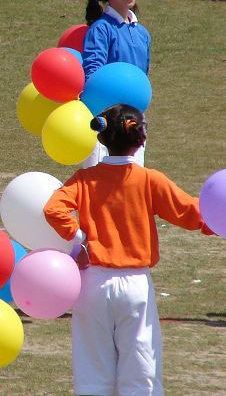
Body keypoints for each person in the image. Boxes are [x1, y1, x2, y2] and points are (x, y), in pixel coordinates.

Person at [43, 104, 211, 396]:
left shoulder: (85, 179)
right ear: (141, 140)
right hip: (136, 285)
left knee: (93, 372)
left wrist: (79, 239)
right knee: (141, 369)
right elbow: (190, 213)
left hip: (92, 284)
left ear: (102, 139)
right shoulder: (149, 179)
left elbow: (53, 208)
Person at [81, 0, 150, 167]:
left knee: (132, 178)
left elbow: (142, 76)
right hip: (105, 121)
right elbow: (92, 74)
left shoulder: (142, 33)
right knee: (99, 182)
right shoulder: (101, 29)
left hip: (134, 118)